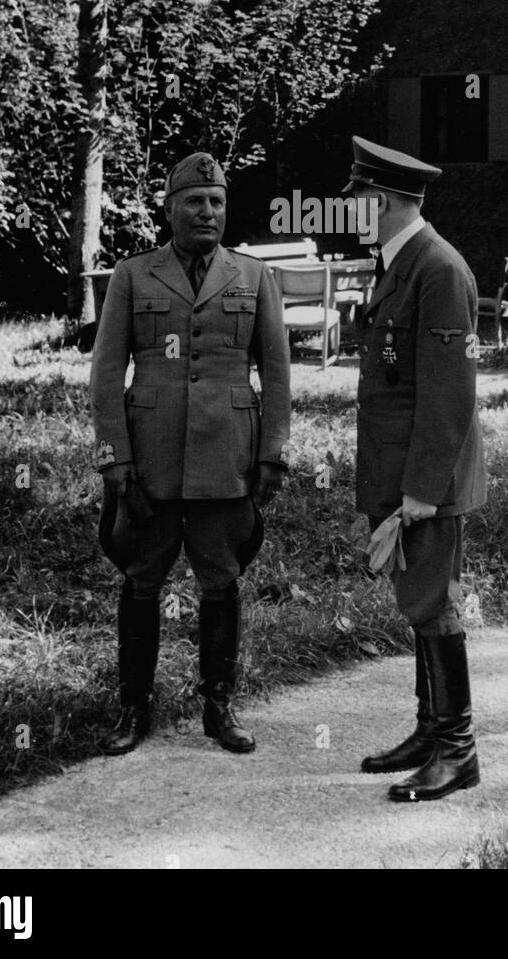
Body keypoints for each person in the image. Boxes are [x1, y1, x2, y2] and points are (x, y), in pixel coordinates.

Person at [89, 152, 291, 756]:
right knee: (141, 580)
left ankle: (219, 707)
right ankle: (133, 709)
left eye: (217, 202)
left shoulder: (255, 277)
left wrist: (273, 454)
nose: (208, 212)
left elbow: (277, 375)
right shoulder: (133, 275)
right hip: (148, 460)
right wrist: (113, 458)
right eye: (195, 201)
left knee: (221, 581)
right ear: (170, 208)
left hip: (227, 457)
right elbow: (105, 374)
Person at [344, 135, 486, 802]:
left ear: (387, 200)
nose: (351, 210)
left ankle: (457, 753)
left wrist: (422, 492)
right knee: (416, 603)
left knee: (434, 605)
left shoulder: (438, 269)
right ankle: (431, 733)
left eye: (360, 199)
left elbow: (449, 392)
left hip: (424, 480)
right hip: (398, 470)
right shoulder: (399, 263)